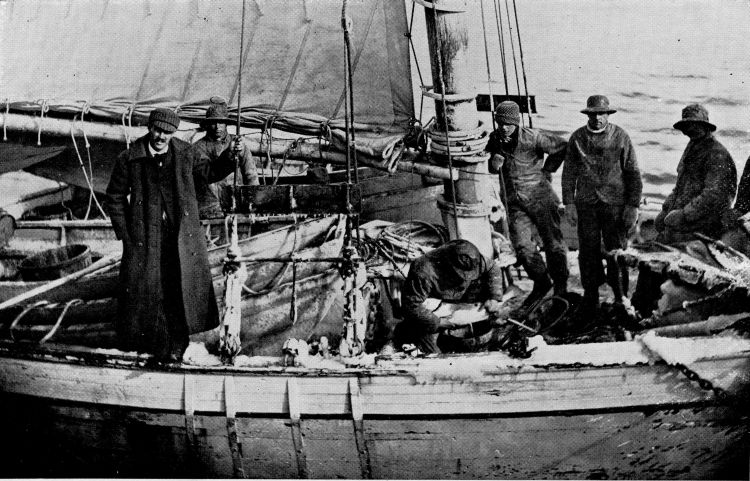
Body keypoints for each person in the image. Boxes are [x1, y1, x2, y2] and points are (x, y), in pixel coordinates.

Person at [105, 108, 240, 362]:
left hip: (180, 237)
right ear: (149, 128)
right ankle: (153, 346)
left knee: (179, 289)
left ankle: (179, 345)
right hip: (145, 238)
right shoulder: (130, 157)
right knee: (149, 290)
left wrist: (230, 156)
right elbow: (114, 196)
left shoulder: (185, 154)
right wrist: (126, 234)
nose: (161, 136)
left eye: (167, 132)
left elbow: (210, 172)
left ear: (173, 133)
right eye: (157, 130)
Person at [562, 95, 642, 313]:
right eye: (593, 114)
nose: (597, 118)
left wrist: (632, 206)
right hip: (586, 205)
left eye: (601, 113)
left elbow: (633, 173)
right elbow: (568, 174)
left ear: (608, 114)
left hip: (615, 205)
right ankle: (591, 297)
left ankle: (621, 297)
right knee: (587, 251)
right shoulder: (577, 138)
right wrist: (568, 203)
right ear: (587, 115)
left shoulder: (620, 136)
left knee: (616, 251)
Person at [485, 101, 568, 311]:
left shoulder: (533, 137)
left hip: (540, 197)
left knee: (553, 243)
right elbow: (490, 165)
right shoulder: (495, 139)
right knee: (522, 247)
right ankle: (541, 282)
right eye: (500, 122)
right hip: (514, 202)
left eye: (508, 124)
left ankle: (560, 288)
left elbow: (562, 147)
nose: (503, 127)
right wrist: (493, 166)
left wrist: (548, 169)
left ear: (516, 122)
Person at [396, 239, 504, 354]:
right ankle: (404, 333)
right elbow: (411, 306)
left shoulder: (473, 259)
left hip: (456, 303)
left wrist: (494, 297)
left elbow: (493, 268)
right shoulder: (423, 270)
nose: (465, 278)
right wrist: (438, 323)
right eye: (460, 273)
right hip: (431, 311)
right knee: (433, 355)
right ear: (448, 265)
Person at [654, 104, 737, 244]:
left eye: (694, 125)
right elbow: (680, 186)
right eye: (686, 126)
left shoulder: (717, 153)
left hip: (712, 216)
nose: (689, 129)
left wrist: (685, 214)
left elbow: (714, 195)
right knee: (659, 222)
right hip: (692, 208)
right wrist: (667, 206)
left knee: (671, 231)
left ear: (705, 126)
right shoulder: (693, 146)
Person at [193, 97, 259, 217]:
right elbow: (204, 175)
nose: (218, 126)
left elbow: (251, 176)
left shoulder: (239, 145)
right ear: (207, 125)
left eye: (221, 122)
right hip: (208, 211)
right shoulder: (197, 148)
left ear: (226, 124)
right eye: (213, 122)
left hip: (237, 208)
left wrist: (253, 204)